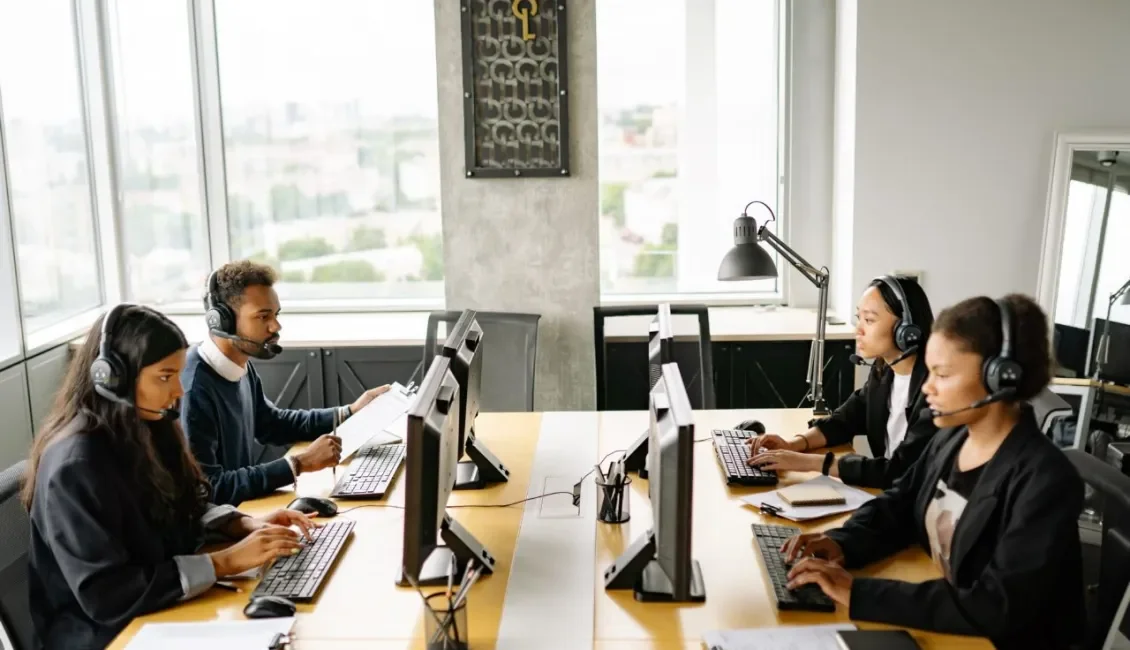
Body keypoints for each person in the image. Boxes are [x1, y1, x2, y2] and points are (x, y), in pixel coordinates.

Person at [780, 294, 1086, 648]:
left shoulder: (1045, 480)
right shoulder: (953, 438)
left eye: (942, 374)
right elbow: (899, 505)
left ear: (1000, 378)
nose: (927, 387)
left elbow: (996, 603)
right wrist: (841, 543)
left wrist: (860, 593)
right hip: (947, 627)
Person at [24, 304, 318, 650]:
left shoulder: (144, 426)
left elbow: (183, 503)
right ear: (113, 377)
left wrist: (240, 524)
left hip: (154, 615)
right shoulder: (74, 466)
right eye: (165, 377)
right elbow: (107, 595)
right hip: (105, 636)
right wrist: (224, 562)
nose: (179, 390)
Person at [181, 261, 392, 505]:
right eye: (263, 316)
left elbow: (271, 424)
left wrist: (350, 411)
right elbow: (211, 488)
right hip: (218, 532)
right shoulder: (194, 389)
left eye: (275, 314)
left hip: (242, 516)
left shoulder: (240, 365)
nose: (276, 326)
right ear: (222, 321)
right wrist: (298, 463)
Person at [746, 276, 938, 488]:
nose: (859, 330)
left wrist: (808, 462)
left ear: (906, 330)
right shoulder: (883, 372)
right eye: (859, 318)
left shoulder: (935, 390)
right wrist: (793, 444)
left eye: (870, 320)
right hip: (890, 497)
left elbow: (900, 470)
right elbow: (846, 420)